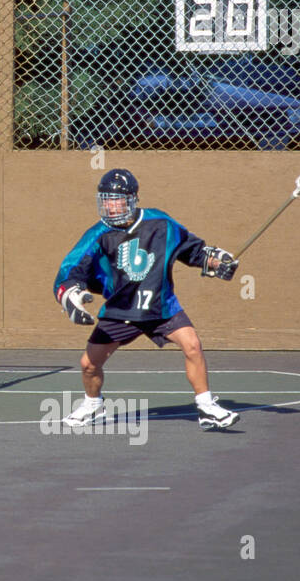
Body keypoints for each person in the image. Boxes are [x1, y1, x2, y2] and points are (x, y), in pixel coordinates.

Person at [53, 168, 241, 431]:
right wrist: (72, 293)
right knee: (88, 364)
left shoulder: (160, 223)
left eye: (116, 199)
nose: (111, 205)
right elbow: (72, 270)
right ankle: (93, 405)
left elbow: (192, 250)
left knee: (193, 346)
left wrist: (215, 263)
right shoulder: (98, 233)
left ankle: (207, 407)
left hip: (161, 306)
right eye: (106, 199)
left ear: (132, 199)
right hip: (121, 308)